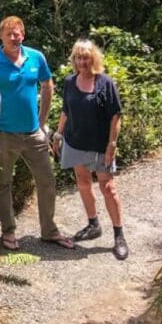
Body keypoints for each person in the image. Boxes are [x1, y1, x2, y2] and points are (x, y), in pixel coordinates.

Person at [0, 16, 74, 251]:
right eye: (8, 34)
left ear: (23, 34)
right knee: (3, 184)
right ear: (1, 36)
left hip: (33, 134)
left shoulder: (35, 57)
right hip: (4, 135)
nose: (13, 37)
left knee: (47, 181)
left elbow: (47, 85)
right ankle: (8, 233)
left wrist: (42, 121)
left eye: (17, 33)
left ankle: (49, 230)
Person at [51, 39, 128, 260]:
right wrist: (58, 134)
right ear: (74, 60)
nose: (81, 61)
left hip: (100, 145)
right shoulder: (69, 82)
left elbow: (116, 115)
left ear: (93, 58)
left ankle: (119, 235)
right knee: (83, 183)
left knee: (108, 188)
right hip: (75, 142)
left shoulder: (105, 82)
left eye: (85, 57)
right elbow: (66, 111)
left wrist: (112, 144)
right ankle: (93, 224)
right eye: (77, 57)